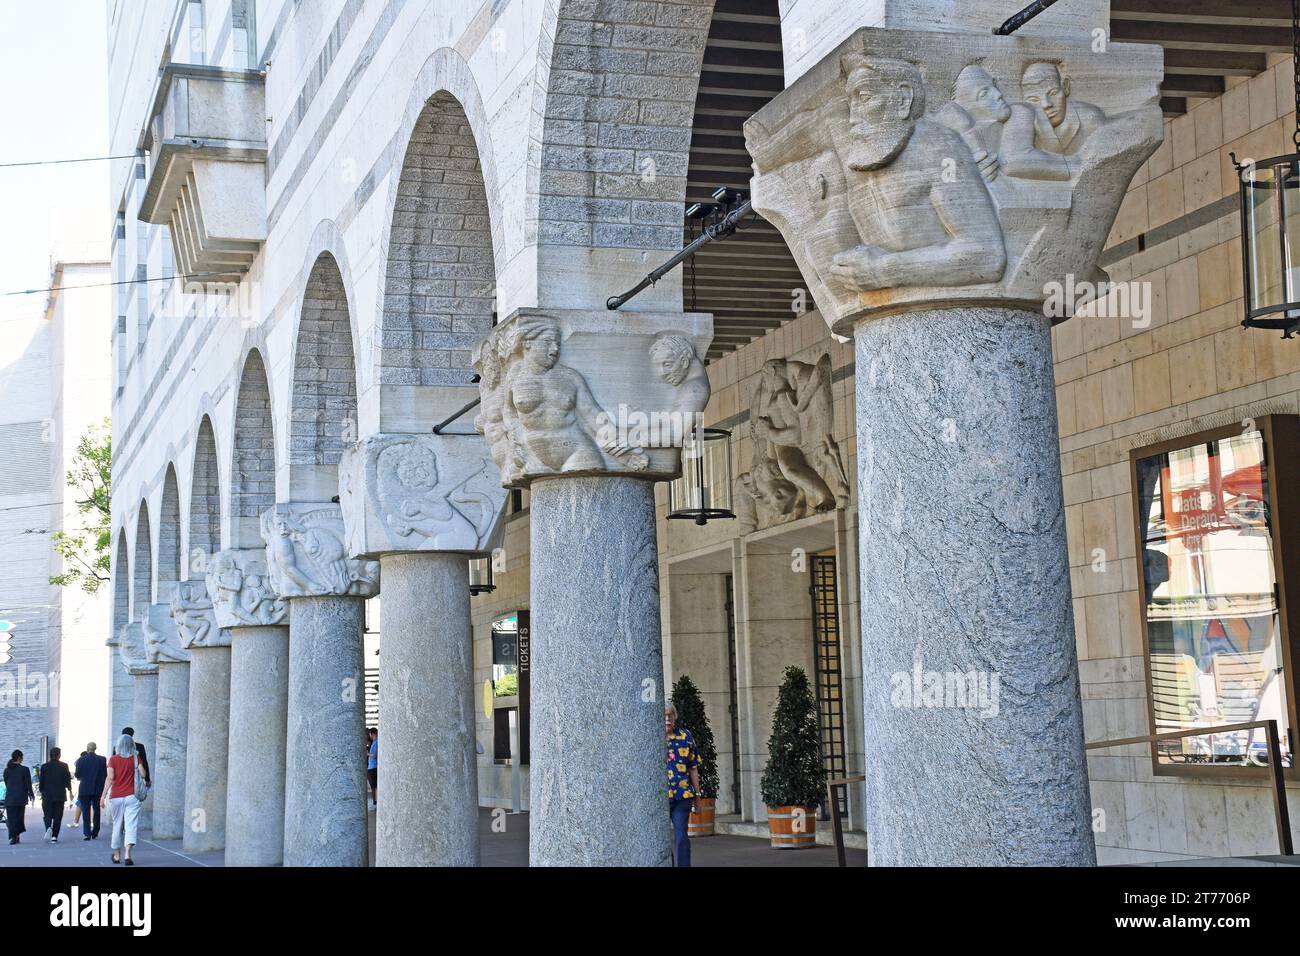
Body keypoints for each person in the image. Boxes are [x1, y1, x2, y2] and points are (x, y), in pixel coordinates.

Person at [665, 705, 701, 868]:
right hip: (659, 799)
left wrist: (698, 798)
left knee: (681, 837)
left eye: (670, 715)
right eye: (664, 716)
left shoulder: (686, 736)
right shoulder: (650, 737)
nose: (667, 719)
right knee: (660, 840)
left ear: (675, 716)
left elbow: (693, 767)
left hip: (682, 797)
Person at [105, 734, 142, 865]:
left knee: (117, 825)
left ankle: (116, 855)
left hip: (116, 797)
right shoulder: (135, 758)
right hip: (132, 796)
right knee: (131, 825)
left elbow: (110, 778)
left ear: (118, 745)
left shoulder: (113, 759)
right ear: (132, 745)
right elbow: (143, 774)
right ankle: (127, 855)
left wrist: (103, 795)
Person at [38, 747, 73, 843]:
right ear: (59, 755)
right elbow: (67, 780)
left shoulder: (44, 766)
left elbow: (41, 781)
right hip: (60, 795)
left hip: (47, 794)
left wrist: (41, 790)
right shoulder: (64, 766)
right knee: (58, 816)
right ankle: (54, 836)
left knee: (47, 815)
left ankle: (48, 827)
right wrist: (70, 790)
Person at [74, 743, 107, 840]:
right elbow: (104, 774)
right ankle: (95, 832)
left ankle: (87, 833)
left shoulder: (81, 760)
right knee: (97, 810)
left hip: (84, 788)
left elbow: (77, 775)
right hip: (97, 788)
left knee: (85, 811)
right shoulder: (102, 759)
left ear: (87, 749)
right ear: (95, 748)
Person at [3, 751, 34, 845]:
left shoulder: (6, 770)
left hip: (10, 797)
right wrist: (31, 794)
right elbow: (28, 784)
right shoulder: (25, 769)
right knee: (19, 818)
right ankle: (16, 835)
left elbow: (6, 783)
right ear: (20, 758)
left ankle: (13, 837)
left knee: (12, 818)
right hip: (21, 797)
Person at [366, 728, 378, 806]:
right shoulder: (373, 742)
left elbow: (375, 755)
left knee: (374, 786)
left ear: (372, 734)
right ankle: (375, 801)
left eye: (370, 734)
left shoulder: (377, 742)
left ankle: (376, 801)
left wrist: (368, 754)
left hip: (374, 767)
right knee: (373, 786)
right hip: (371, 767)